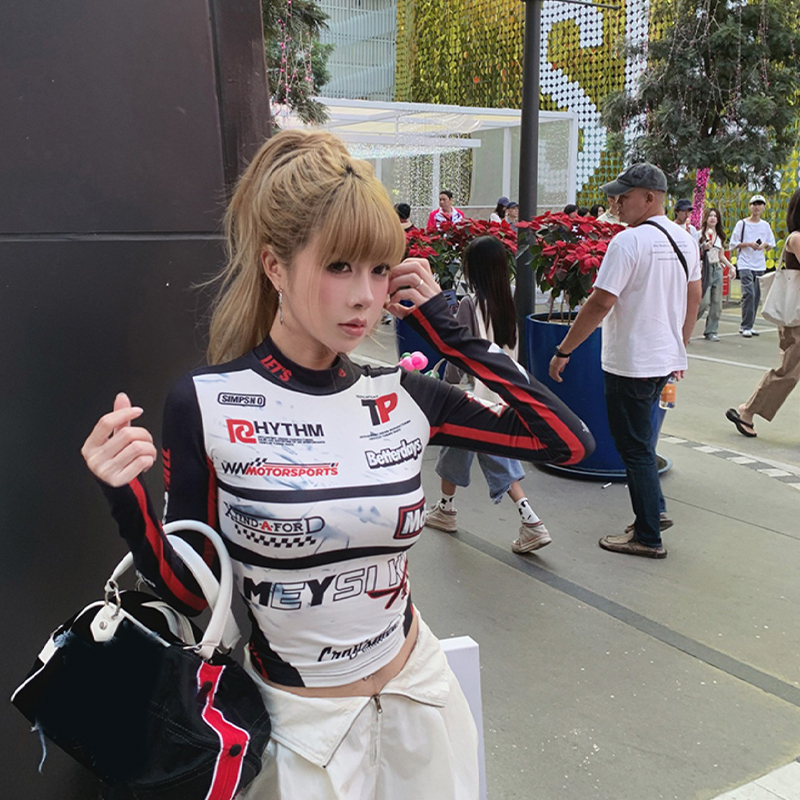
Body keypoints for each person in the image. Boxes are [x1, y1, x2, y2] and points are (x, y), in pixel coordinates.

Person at [81, 129, 594, 799]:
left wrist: (451, 331)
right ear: (275, 267)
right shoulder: (206, 402)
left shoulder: (404, 395)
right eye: (340, 267)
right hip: (302, 734)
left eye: (380, 270)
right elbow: (190, 593)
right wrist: (127, 498)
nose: (364, 296)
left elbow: (567, 443)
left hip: (422, 701)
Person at [548, 163, 702, 559]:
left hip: (631, 361)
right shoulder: (685, 239)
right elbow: (694, 296)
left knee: (632, 447)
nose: (616, 204)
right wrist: (679, 346)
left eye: (624, 196)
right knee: (642, 441)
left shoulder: (628, 242)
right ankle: (656, 510)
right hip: (662, 358)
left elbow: (600, 302)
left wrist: (564, 350)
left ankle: (647, 536)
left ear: (650, 198)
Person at [425, 236, 551, 554]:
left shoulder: (470, 305)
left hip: (474, 396)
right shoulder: (506, 302)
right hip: (501, 394)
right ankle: (446, 508)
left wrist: (447, 382)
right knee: (456, 449)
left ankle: (531, 522)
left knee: (494, 458)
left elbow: (459, 351)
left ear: (475, 269)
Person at [726, 188, 800, 438]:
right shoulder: (796, 238)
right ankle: (748, 410)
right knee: (789, 372)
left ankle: (748, 410)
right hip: (796, 318)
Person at [730, 194, 776, 337]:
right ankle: (746, 326)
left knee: (756, 296)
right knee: (748, 293)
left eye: (760, 204)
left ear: (764, 207)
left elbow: (771, 244)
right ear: (750, 206)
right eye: (754, 204)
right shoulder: (742, 224)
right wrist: (749, 244)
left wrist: (764, 245)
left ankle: (749, 324)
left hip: (759, 264)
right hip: (744, 263)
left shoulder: (765, 225)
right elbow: (733, 244)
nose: (757, 207)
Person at [696, 207, 735, 341]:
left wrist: (731, 267)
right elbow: (694, 252)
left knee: (717, 302)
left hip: (717, 268)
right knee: (704, 301)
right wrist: (703, 247)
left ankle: (711, 330)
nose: (713, 218)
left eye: (715, 216)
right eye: (710, 216)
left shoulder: (719, 236)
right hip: (704, 269)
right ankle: (687, 325)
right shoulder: (699, 234)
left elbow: (721, 255)